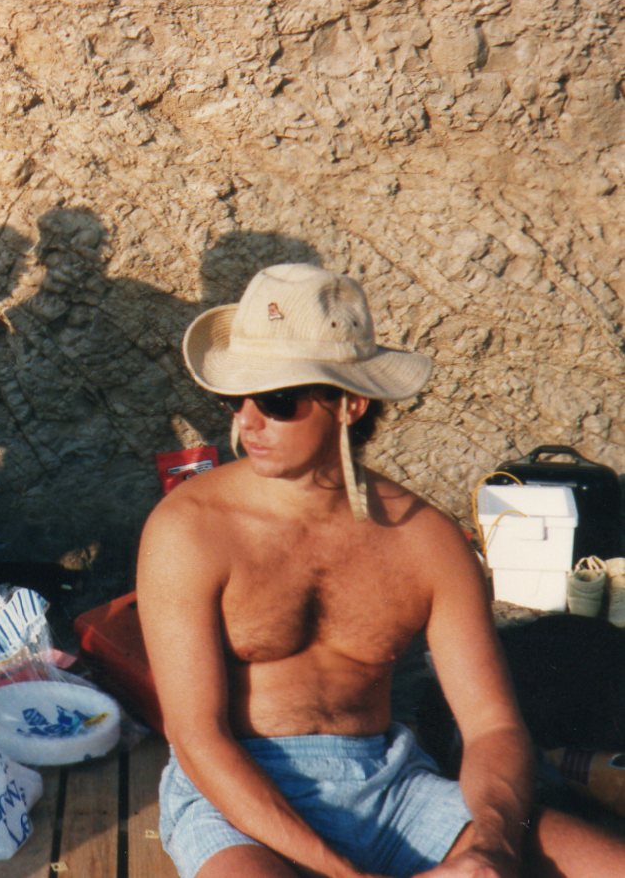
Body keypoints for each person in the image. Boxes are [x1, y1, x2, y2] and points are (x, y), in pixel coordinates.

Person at [137, 262, 625, 878]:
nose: (247, 421)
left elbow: (493, 725)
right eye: (237, 396)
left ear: (349, 404)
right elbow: (198, 738)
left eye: (278, 399)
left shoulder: (427, 542)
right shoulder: (190, 529)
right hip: (234, 795)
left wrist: (491, 847)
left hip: (388, 784)